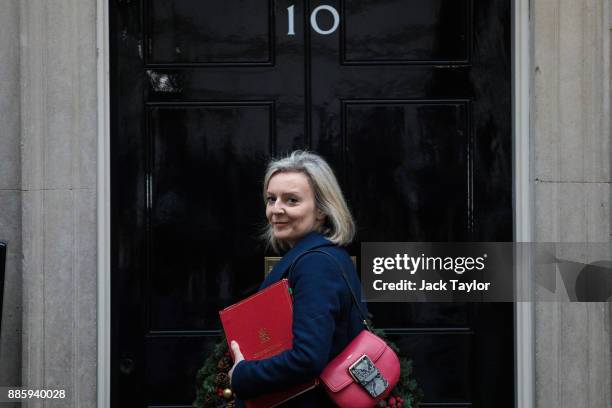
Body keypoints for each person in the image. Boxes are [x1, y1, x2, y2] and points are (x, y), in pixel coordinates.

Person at [228, 150, 368, 407]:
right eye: (271, 199)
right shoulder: (320, 256)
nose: (276, 210)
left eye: (291, 200)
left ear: (321, 211)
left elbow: (307, 359)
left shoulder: (316, 264)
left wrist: (242, 375)